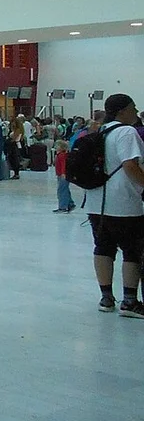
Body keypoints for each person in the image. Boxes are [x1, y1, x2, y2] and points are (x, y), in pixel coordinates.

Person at [82, 94, 144, 318]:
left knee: (103, 247)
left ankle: (106, 297)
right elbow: (130, 165)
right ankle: (129, 301)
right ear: (121, 111)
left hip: (95, 202)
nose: (136, 112)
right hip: (124, 203)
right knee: (132, 250)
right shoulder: (127, 132)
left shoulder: (99, 132)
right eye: (132, 108)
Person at [53, 140, 75, 213]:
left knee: (61, 190)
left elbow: (63, 165)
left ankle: (63, 207)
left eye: (57, 145)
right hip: (61, 175)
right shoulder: (60, 155)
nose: (56, 147)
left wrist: (63, 173)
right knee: (65, 189)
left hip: (63, 175)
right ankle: (70, 203)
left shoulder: (62, 155)